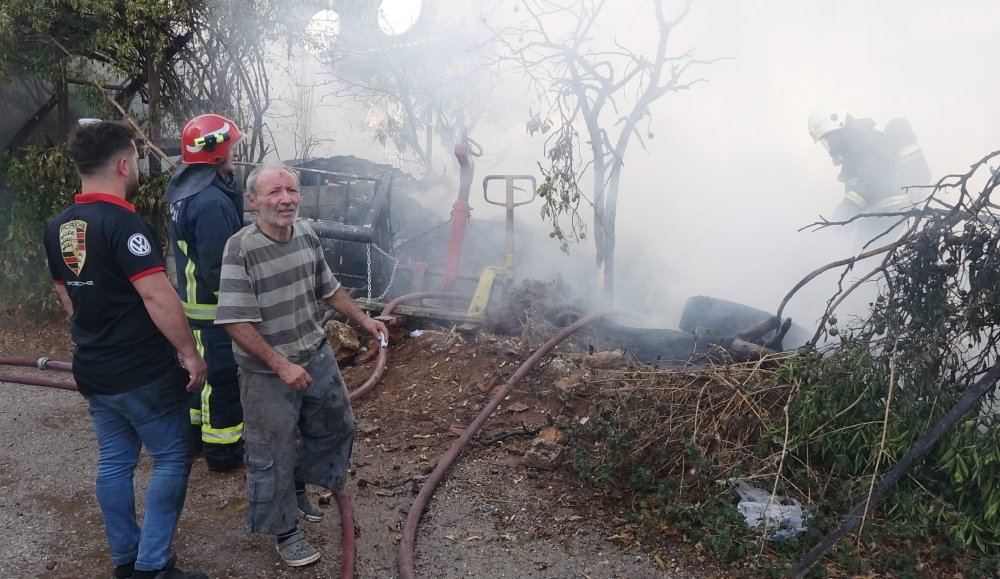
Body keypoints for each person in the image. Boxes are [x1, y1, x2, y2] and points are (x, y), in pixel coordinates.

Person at [42, 119, 210, 579]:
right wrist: (191, 354)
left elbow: (69, 301)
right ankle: (153, 565)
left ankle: (125, 561)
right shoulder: (124, 223)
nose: (136, 168)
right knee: (173, 457)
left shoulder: (58, 227)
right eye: (135, 160)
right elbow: (158, 295)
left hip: (94, 369)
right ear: (122, 164)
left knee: (116, 461)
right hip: (143, 373)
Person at [214, 163, 388, 567]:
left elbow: (328, 288)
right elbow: (235, 322)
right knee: (271, 451)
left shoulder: (306, 233)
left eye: (291, 190)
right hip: (266, 371)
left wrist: (364, 320)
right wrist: (280, 365)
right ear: (253, 201)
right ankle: (285, 531)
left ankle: (296, 486)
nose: (285, 199)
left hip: (314, 351)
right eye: (274, 192)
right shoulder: (241, 248)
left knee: (338, 424)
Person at [165, 114, 246, 471]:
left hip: (194, 310)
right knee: (222, 381)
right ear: (214, 153)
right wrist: (241, 309)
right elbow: (219, 268)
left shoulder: (185, 192)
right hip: (214, 312)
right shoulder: (211, 203)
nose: (235, 155)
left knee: (200, 382)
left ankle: (195, 439)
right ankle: (224, 452)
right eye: (231, 148)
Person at [808, 106, 932, 231]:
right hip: (882, 213)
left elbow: (871, 182)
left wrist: (846, 208)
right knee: (854, 247)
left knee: (862, 248)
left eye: (828, 140)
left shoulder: (867, 141)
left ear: (837, 132)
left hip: (894, 208)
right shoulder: (855, 149)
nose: (829, 146)